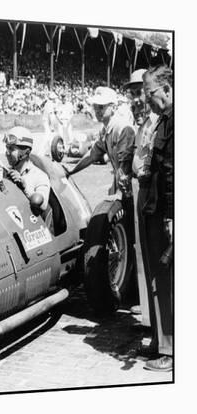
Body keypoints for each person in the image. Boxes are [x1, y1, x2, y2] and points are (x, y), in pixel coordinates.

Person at [139, 66, 173, 372]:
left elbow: (175, 175)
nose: (146, 98)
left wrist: (173, 217)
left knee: (169, 281)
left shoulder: (176, 122)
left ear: (166, 88)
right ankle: (164, 343)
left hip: (167, 213)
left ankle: (172, 350)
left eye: (149, 92)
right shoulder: (164, 120)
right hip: (157, 209)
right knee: (160, 279)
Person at [123, 69, 160, 320]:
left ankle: (155, 318)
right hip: (140, 191)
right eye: (133, 95)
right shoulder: (142, 124)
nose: (137, 100)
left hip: (154, 193)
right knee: (142, 252)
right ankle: (148, 315)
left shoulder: (159, 121)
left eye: (140, 93)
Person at [66, 86, 135, 200]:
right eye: (95, 107)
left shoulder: (122, 127)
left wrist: (119, 194)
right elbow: (92, 155)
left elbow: (126, 164)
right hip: (122, 186)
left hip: (132, 188)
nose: (97, 111)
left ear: (113, 107)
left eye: (101, 107)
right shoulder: (105, 129)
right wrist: (72, 170)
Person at [3, 127, 50, 211]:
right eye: (7, 147)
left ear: (26, 152)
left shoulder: (40, 176)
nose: (7, 152)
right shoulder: (6, 173)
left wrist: (24, 187)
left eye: (11, 149)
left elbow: (43, 205)